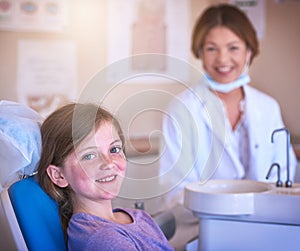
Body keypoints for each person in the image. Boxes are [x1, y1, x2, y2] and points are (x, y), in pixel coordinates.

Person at [159, 3, 297, 250]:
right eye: (211, 49)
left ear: (250, 51)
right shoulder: (182, 110)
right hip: (204, 231)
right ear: (199, 52)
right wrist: (228, 210)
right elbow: (175, 192)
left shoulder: (267, 108)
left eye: (233, 48)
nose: (222, 59)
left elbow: (285, 176)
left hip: (270, 229)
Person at [37, 103, 174, 251]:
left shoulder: (137, 217)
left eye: (114, 149)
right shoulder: (103, 239)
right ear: (59, 176)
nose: (109, 163)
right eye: (89, 156)